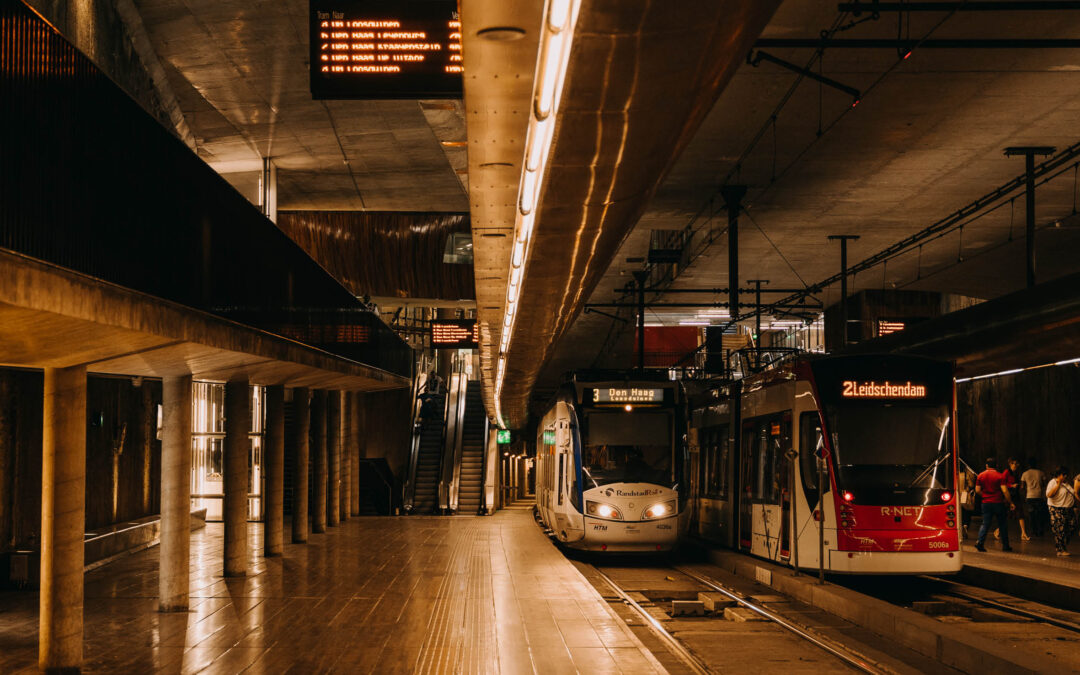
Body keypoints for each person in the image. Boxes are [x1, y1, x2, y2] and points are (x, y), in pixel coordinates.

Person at [975, 457, 1014, 552]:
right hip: (998, 503)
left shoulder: (980, 475)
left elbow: (977, 490)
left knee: (985, 524)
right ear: (996, 466)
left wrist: (985, 495)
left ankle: (980, 542)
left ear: (986, 465)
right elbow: (1005, 490)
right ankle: (1005, 546)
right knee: (1002, 524)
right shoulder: (1000, 476)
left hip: (986, 503)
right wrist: (1010, 502)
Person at [1046, 466, 1077, 556]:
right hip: (1056, 509)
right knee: (1060, 529)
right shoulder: (1052, 482)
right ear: (1059, 475)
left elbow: (1072, 494)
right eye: (1063, 475)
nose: (1065, 477)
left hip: (1068, 509)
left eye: (1066, 475)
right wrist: (1058, 485)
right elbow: (1049, 495)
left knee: (1072, 526)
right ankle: (1060, 550)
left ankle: (1062, 544)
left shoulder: (1067, 483)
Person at [997, 458, 1030, 541]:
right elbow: (1002, 483)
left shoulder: (1017, 473)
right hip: (1008, 496)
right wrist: (1011, 486)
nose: (1015, 465)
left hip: (1016, 496)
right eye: (1013, 463)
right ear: (1010, 464)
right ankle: (997, 531)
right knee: (1006, 515)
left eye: (1016, 464)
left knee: (1020, 514)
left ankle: (1023, 533)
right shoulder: (1006, 472)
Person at [1021, 458, 1047, 537]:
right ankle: (1041, 530)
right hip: (1039, 496)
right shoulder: (1041, 473)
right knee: (1039, 514)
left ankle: (1033, 531)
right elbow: (1044, 484)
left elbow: (1022, 486)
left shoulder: (1025, 474)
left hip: (1029, 496)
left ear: (1028, 465)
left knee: (1031, 514)